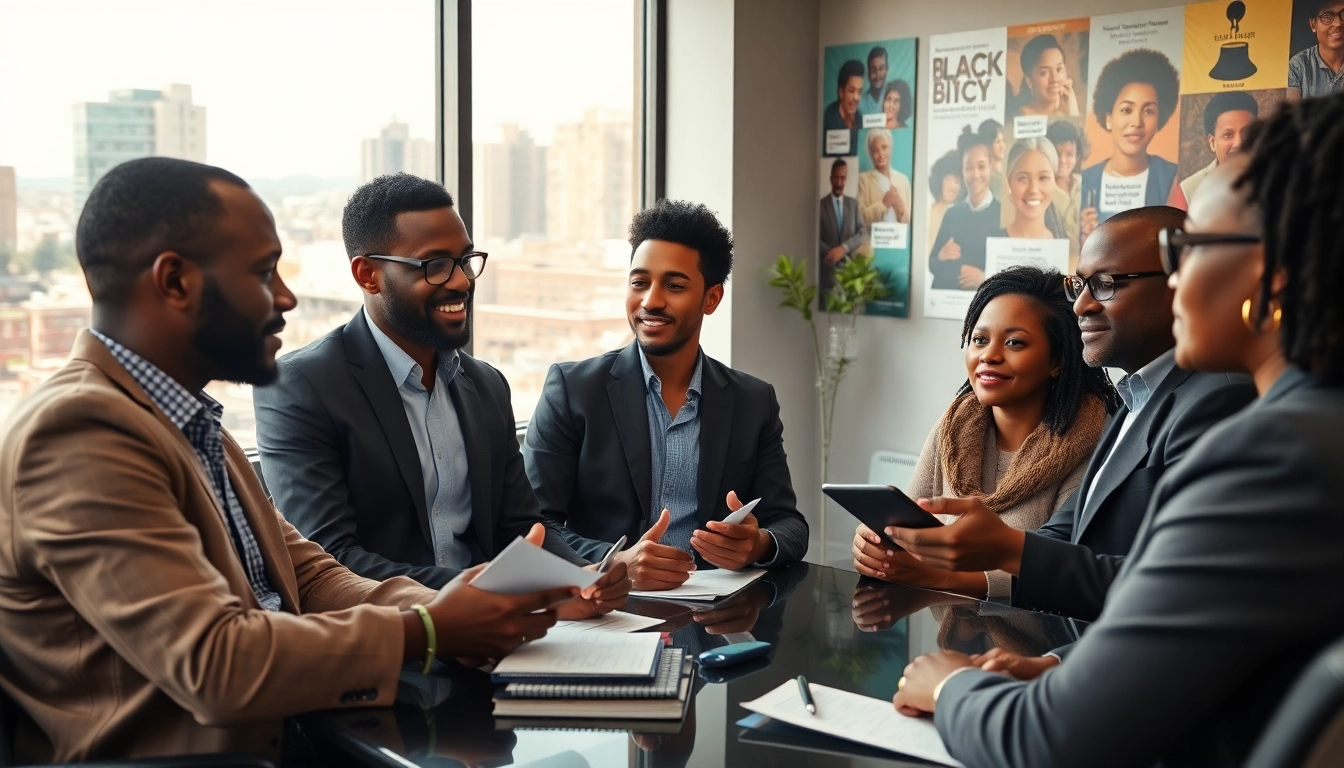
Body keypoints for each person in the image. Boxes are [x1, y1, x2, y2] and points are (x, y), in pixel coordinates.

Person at [0, 158, 582, 762]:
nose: (286, 297)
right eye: (262, 273)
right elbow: (217, 664)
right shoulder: (80, 429)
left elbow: (309, 575)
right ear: (174, 282)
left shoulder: (192, 425)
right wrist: (430, 630)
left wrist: (449, 608)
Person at [892, 93, 1344, 768]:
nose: (1176, 277)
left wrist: (951, 685)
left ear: (1271, 278)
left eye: (1186, 249)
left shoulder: (1272, 452)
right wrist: (1066, 667)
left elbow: (1050, 741)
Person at [252, 174, 628, 614]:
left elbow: (520, 526)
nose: (462, 281)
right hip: (393, 641)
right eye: (435, 265)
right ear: (368, 275)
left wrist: (585, 575)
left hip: (502, 629)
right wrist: (498, 593)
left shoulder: (486, 384)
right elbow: (332, 560)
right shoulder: (302, 385)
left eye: (465, 260)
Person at [871, 206, 1255, 630]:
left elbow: (1181, 586)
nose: (1082, 305)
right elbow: (1062, 540)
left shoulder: (1219, 397)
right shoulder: (1135, 397)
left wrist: (994, 556)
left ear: (1180, 284)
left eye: (1106, 284)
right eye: (1080, 286)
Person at [524, 200, 808, 590]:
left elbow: (790, 525)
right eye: (639, 282)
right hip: (608, 609)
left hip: (714, 616)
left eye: (674, 286)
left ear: (711, 299)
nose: (651, 301)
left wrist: (758, 544)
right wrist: (614, 562)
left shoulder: (752, 400)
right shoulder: (573, 390)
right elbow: (534, 525)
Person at [852, 266, 1117, 599]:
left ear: (1057, 361)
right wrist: (879, 542)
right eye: (979, 340)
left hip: (1045, 641)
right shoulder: (952, 427)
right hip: (946, 634)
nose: (989, 356)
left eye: (1015, 343)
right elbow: (912, 526)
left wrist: (937, 577)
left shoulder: (1093, 441)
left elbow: (1066, 572)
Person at [1080, 48, 1181, 238]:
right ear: (1108, 118)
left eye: (1148, 111)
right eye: (1127, 110)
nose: (1137, 122)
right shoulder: (1084, 181)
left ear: (1159, 120)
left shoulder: (1173, 177)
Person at [929, 127, 1001, 290]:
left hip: (985, 308)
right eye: (968, 168)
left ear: (990, 166)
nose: (975, 175)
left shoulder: (1002, 215)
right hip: (949, 305)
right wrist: (941, 257)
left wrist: (985, 278)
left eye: (981, 166)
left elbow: (1011, 273)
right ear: (962, 170)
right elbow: (932, 264)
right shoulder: (952, 213)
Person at [1172, 90, 1258, 207]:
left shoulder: (1274, 181)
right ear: (1212, 142)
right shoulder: (1189, 190)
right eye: (1228, 135)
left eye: (1246, 132)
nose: (1239, 143)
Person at [996, 138, 1067, 240]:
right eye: (1023, 178)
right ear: (1009, 183)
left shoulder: (1065, 245)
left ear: (1054, 182)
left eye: (1043, 178)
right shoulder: (991, 246)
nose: (1033, 189)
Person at [818, 158, 866, 299]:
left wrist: (843, 248)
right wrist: (830, 252)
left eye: (843, 178)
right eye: (836, 177)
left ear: (846, 179)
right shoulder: (820, 206)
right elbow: (813, 236)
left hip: (851, 276)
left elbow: (863, 232)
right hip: (827, 277)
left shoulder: (854, 205)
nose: (839, 183)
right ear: (831, 178)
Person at [1046, 120, 1085, 270]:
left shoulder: (1085, 185)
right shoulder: (1043, 191)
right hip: (1057, 266)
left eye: (1070, 154)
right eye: (1057, 153)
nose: (1063, 160)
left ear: (1077, 156)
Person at [857, 128, 913, 234]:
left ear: (890, 148)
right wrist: (883, 205)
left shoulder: (903, 180)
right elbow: (860, 218)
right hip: (875, 245)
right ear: (870, 153)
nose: (881, 154)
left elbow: (911, 221)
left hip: (899, 243)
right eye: (875, 150)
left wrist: (901, 210)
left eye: (884, 147)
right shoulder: (864, 180)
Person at [1288, 0, 1344, 101]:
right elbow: (1294, 114)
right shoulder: (1298, 65)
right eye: (1327, 16)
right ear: (1313, 25)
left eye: (1343, 14)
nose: (1338, 23)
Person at [1012, 34, 1080, 117]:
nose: (1055, 79)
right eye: (1044, 73)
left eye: (1059, 70)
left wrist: (1073, 111)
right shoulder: (1023, 115)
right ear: (1029, 81)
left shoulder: (1064, 112)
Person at [823, 59, 864, 155]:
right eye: (851, 90)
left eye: (859, 92)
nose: (856, 98)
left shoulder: (860, 119)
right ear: (841, 92)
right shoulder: (829, 116)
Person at [926, 150, 963, 253]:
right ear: (939, 181)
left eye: (957, 181)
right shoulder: (927, 211)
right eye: (948, 180)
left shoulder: (961, 216)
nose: (953, 187)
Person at [859, 46, 890, 118]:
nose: (877, 75)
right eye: (873, 70)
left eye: (881, 69)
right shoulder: (860, 103)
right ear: (868, 74)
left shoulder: (894, 99)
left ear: (887, 70)